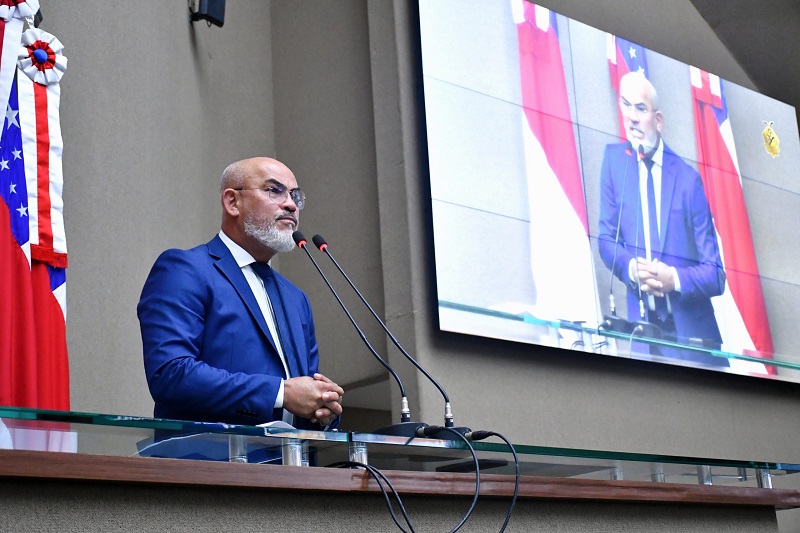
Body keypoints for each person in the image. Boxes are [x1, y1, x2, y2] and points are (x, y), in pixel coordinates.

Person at [138, 157, 343, 434]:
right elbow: (171, 374)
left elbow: (302, 395)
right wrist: (280, 393)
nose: (291, 205)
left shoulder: (296, 299)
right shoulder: (185, 270)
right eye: (274, 190)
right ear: (233, 202)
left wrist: (323, 407)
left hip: (291, 469)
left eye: (295, 196)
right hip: (210, 467)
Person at [598, 72, 727, 367]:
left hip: (695, 342)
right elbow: (606, 239)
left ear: (658, 120)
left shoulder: (688, 180)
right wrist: (631, 268)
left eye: (640, 109)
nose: (631, 118)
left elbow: (716, 274)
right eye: (626, 106)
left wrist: (675, 280)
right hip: (643, 339)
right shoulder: (614, 163)